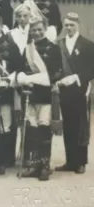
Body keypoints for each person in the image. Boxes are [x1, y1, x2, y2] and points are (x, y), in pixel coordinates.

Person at [14, 19, 62, 181]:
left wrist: (35, 78)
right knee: (31, 130)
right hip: (29, 94)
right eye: (33, 30)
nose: (36, 33)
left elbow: (57, 73)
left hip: (45, 96)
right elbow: (20, 69)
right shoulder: (27, 49)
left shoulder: (54, 48)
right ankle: (32, 165)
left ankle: (44, 165)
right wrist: (21, 77)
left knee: (43, 129)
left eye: (39, 30)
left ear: (45, 29)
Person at [0, 15, 24, 174]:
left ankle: (7, 159)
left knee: (6, 123)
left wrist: (11, 79)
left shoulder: (11, 45)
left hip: (7, 89)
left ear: (1, 26)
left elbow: (19, 66)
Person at [55, 12, 94, 174]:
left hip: (80, 89)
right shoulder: (59, 44)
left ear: (78, 25)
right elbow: (55, 66)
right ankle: (70, 161)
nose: (69, 28)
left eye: (72, 25)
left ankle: (81, 162)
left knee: (80, 125)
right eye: (66, 25)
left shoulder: (87, 44)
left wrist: (77, 77)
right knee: (68, 125)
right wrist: (58, 79)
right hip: (64, 89)